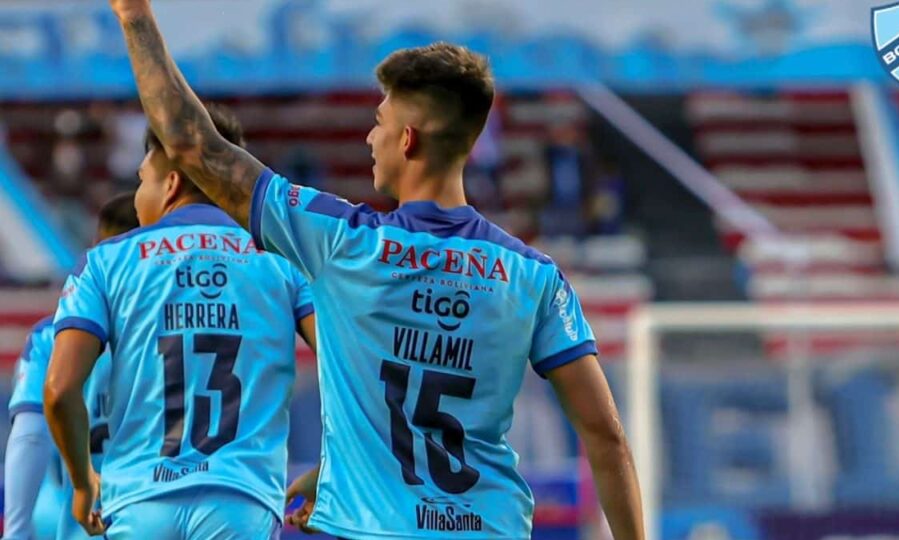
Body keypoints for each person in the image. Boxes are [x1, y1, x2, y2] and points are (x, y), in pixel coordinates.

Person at [109, 0, 645, 538]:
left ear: (407, 139)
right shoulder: (533, 276)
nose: (370, 137)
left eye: (379, 122)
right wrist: (343, 469)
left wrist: (135, 18)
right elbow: (606, 436)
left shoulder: (345, 243)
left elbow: (193, 145)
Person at [43, 104, 317, 539]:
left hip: (139, 502)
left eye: (141, 180)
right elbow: (350, 370)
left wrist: (80, 483)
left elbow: (59, 391)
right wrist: (331, 470)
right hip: (241, 501)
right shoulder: (284, 261)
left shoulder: (105, 261)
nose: (138, 196)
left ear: (170, 183)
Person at [3, 192, 139, 540]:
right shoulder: (176, 332)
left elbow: (31, 435)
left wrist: (16, 530)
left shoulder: (51, 337)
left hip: (84, 525)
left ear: (95, 247)